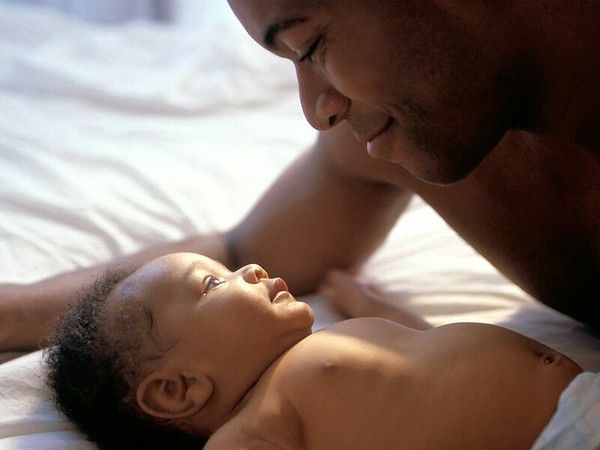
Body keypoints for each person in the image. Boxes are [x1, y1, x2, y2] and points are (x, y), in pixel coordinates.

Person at [2, 1, 599, 351]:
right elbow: (242, 252)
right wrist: (14, 310)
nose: (318, 111)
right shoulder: (415, 122)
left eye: (309, 45)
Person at [46, 252, 599, 450]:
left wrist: (365, 302)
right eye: (213, 285)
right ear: (177, 389)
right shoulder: (254, 429)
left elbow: (430, 353)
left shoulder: (327, 345)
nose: (251, 269)